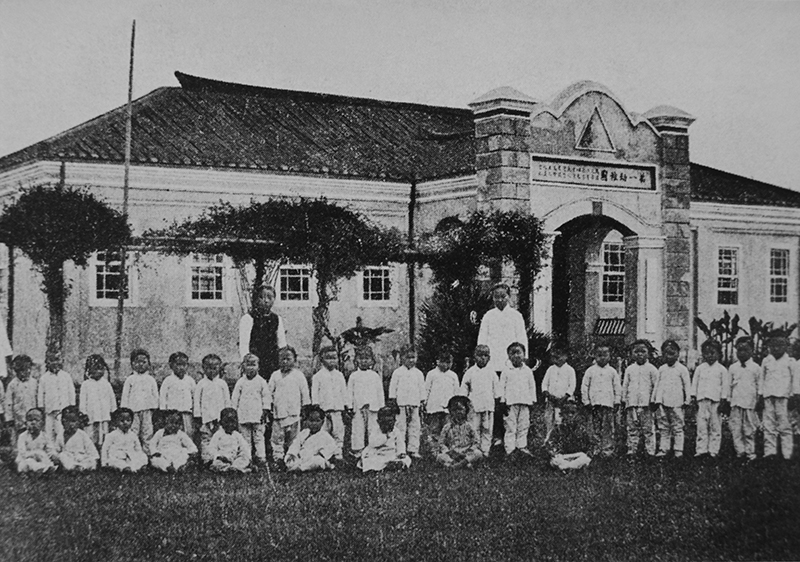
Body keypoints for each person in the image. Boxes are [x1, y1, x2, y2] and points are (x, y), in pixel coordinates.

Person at [267, 346, 310, 464]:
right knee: (277, 437)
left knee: (294, 437)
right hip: (279, 412)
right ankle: (278, 457)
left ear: (295, 360)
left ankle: (292, 457)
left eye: (288, 359)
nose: (285, 362)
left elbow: (305, 392)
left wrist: (305, 407)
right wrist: (268, 407)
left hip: (294, 412)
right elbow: (268, 393)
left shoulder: (299, 375)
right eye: (282, 359)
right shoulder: (275, 375)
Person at [690, 339, 730, 459]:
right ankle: (701, 449)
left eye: (712, 353)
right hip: (702, 401)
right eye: (706, 353)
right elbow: (695, 383)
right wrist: (693, 397)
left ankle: (714, 450)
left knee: (715, 426)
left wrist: (723, 399)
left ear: (718, 354)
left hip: (715, 402)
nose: (709, 356)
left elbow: (725, 386)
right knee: (701, 426)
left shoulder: (722, 369)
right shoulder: (700, 368)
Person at [652, 340, 691, 458]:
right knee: (663, 426)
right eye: (666, 354)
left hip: (677, 402)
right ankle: (664, 448)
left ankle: (678, 449)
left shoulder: (682, 369)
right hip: (662, 402)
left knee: (677, 426)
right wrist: (655, 399)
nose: (669, 357)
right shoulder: (661, 369)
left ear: (678, 354)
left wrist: (687, 400)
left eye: (672, 353)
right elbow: (657, 385)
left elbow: (687, 385)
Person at [760, 336, 797, 460]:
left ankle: (787, 454)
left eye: (780, 345)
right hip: (768, 396)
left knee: (784, 425)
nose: (776, 348)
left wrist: (793, 395)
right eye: (773, 345)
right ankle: (769, 453)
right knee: (769, 425)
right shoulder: (766, 361)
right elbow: (762, 378)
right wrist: (761, 394)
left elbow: (795, 380)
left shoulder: (790, 361)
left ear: (786, 346)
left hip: (784, 397)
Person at [581, 344, 621, 457]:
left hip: (608, 404)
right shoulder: (590, 371)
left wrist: (617, 401)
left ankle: (607, 449)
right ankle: (596, 448)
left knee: (607, 427)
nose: (602, 358)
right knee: (594, 427)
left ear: (610, 356)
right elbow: (585, 386)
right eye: (599, 355)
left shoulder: (612, 371)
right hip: (594, 404)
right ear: (594, 356)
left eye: (605, 355)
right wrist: (586, 401)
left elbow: (617, 387)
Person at [239, 285, 287, 379]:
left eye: (270, 298)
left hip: (272, 361)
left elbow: (282, 343)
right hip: (254, 361)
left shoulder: (277, 319)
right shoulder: (248, 318)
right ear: (256, 299)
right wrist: (246, 363)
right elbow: (244, 345)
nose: (266, 301)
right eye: (262, 297)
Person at [460, 344, 499, 457]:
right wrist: (463, 400)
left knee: (487, 429)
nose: (482, 358)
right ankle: (474, 449)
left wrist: (497, 400)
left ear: (489, 358)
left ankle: (485, 450)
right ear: (474, 357)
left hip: (488, 405)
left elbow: (497, 389)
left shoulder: (492, 372)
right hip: (474, 406)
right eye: (480, 355)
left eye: (485, 355)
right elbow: (464, 387)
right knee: (474, 428)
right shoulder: (470, 372)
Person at [621, 340, 658, 459]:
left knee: (648, 429)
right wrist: (624, 399)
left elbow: (656, 386)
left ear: (649, 353)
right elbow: (625, 385)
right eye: (636, 351)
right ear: (632, 353)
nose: (640, 354)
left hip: (647, 404)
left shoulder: (652, 369)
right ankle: (632, 450)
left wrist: (654, 400)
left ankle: (650, 451)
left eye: (643, 351)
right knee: (632, 428)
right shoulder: (629, 369)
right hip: (632, 403)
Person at [231, 353, 270, 466]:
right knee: (245, 438)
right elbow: (235, 398)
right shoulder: (241, 382)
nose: (251, 368)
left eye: (254, 365)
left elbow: (266, 397)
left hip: (258, 415)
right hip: (243, 414)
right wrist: (233, 411)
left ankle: (261, 456)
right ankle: (247, 457)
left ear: (258, 367)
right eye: (248, 365)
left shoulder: (261, 382)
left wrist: (265, 409)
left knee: (259, 437)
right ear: (243, 367)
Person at [346, 346, 385, 458]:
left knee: (373, 427)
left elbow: (380, 391)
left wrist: (381, 406)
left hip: (373, 406)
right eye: (361, 358)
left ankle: (373, 448)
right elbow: (350, 391)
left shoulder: (375, 376)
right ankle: (358, 449)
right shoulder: (354, 376)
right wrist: (349, 406)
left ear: (372, 360)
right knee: (358, 428)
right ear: (356, 360)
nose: (364, 361)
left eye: (367, 358)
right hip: (358, 406)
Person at [499, 341, 536, 458]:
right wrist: (502, 401)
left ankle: (522, 446)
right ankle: (510, 449)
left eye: (518, 352)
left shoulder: (528, 371)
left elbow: (532, 386)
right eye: (513, 353)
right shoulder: (506, 371)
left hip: (525, 402)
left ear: (524, 354)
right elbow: (501, 387)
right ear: (508, 356)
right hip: (510, 403)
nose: (516, 356)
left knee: (523, 425)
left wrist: (532, 400)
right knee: (510, 426)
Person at [388, 345, 426, 459]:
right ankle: (400, 450)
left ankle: (413, 449)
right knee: (400, 427)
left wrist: (422, 401)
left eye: (413, 357)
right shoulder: (398, 372)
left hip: (414, 404)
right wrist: (393, 400)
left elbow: (421, 388)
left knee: (415, 427)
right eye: (408, 357)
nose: (411, 360)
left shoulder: (418, 373)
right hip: (401, 404)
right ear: (402, 358)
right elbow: (393, 387)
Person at [728, 337, 762, 461]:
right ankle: (739, 451)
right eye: (739, 350)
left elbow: (759, 385)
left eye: (745, 350)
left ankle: (750, 452)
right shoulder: (733, 368)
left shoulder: (756, 368)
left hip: (749, 403)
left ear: (752, 351)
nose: (742, 353)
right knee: (736, 428)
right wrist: (727, 400)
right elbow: (728, 385)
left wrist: (759, 399)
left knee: (749, 429)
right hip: (736, 402)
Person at [311, 345, 347, 460]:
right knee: (323, 432)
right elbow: (315, 393)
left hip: (337, 410)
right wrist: (316, 405)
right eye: (328, 358)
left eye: (334, 358)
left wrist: (346, 405)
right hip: (324, 410)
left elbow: (344, 392)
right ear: (322, 360)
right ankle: (324, 453)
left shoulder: (339, 375)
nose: (332, 361)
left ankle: (338, 452)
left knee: (338, 431)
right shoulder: (318, 376)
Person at [193, 353, 231, 464]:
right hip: (206, 418)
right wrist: (198, 416)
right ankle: (207, 459)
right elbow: (197, 401)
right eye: (208, 368)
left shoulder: (222, 384)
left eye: (215, 368)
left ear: (219, 368)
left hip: (220, 418)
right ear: (203, 368)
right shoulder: (201, 384)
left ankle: (220, 458)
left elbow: (227, 400)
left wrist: (227, 416)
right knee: (206, 438)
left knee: (220, 438)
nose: (212, 371)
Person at [120, 348, 159, 453]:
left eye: (144, 362)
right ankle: (132, 452)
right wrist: (124, 409)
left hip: (147, 410)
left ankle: (147, 453)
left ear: (149, 363)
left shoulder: (150, 379)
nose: (140, 364)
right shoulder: (130, 379)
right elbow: (125, 395)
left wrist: (154, 407)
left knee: (147, 432)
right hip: (133, 411)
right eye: (137, 362)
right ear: (132, 364)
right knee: (133, 431)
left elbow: (155, 394)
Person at [424, 349, 459, 452]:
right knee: (434, 429)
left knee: (448, 428)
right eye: (444, 362)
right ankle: (434, 449)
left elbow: (456, 391)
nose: (446, 365)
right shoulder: (432, 374)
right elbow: (427, 389)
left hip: (448, 409)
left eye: (449, 362)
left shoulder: (453, 375)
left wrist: (456, 405)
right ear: (438, 362)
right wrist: (424, 402)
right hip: (434, 407)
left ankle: (447, 449)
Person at [37, 350, 76, 444]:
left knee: (61, 430)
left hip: (63, 410)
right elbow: (40, 394)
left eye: (57, 359)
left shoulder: (66, 376)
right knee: (49, 431)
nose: (55, 363)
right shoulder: (44, 378)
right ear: (47, 362)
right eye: (52, 360)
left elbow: (71, 392)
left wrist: (72, 405)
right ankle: (50, 448)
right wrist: (41, 407)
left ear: (62, 361)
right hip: (49, 411)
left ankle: (62, 447)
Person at [79, 355, 117, 449]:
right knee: (91, 435)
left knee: (104, 434)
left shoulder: (106, 384)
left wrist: (114, 411)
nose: (98, 372)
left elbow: (112, 398)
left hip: (104, 415)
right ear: (89, 370)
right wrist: (83, 413)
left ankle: (102, 450)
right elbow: (83, 401)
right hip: (91, 415)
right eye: (95, 369)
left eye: (101, 369)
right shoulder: (86, 385)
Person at [284, 404, 337, 472]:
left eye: (317, 421)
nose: (314, 424)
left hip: (313, 459)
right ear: (307, 421)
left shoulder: (325, 436)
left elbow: (327, 451)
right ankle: (294, 466)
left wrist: (318, 455)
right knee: (291, 459)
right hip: (301, 458)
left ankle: (300, 468)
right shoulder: (304, 433)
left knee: (318, 461)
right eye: (311, 421)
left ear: (322, 422)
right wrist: (292, 454)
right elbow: (295, 445)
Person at [358, 405, 411, 472]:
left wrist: (401, 452)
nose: (388, 426)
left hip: (392, 454)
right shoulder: (376, 431)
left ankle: (395, 464)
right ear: (378, 422)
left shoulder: (396, 431)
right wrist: (384, 436)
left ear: (395, 421)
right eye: (385, 423)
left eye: (391, 422)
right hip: (378, 454)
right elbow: (372, 443)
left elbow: (400, 443)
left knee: (407, 459)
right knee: (369, 460)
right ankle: (384, 467)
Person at [436, 395, 482, 469]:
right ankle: (457, 464)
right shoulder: (447, 427)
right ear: (450, 411)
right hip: (452, 453)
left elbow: (476, 441)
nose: (458, 412)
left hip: (466, 453)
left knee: (478, 453)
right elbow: (441, 443)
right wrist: (449, 452)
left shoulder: (469, 426)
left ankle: (459, 464)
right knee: (440, 456)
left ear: (466, 410)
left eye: (460, 409)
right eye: (454, 410)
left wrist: (469, 450)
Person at [541, 347, 576, 440]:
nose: (557, 358)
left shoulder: (570, 370)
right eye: (554, 356)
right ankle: (549, 438)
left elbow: (572, 386)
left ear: (566, 356)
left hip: (564, 401)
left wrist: (565, 397)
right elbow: (544, 384)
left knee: (560, 419)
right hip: (551, 400)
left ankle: (561, 439)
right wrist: (547, 394)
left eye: (560, 355)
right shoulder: (550, 369)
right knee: (548, 418)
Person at [546, 401, 593, 472]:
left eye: (572, 413)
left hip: (576, 456)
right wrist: (555, 453)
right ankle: (571, 467)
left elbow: (590, 445)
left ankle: (566, 467)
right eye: (567, 413)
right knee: (555, 460)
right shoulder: (557, 429)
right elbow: (550, 445)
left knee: (585, 458)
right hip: (563, 457)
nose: (570, 415)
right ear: (562, 415)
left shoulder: (581, 429)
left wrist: (587, 452)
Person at [4, 355, 38, 452]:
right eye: (22, 370)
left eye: (28, 369)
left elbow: (37, 398)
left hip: (32, 416)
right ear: (17, 371)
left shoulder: (34, 383)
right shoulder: (13, 385)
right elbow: (8, 403)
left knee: (32, 437)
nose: (26, 372)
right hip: (18, 418)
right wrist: (9, 418)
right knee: (19, 439)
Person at [159, 352, 196, 439]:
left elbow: (194, 396)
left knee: (188, 432)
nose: (181, 367)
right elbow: (163, 396)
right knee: (173, 432)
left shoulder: (190, 381)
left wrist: (194, 411)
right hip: (172, 413)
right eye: (178, 365)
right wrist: (163, 410)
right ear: (171, 365)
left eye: (184, 365)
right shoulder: (168, 380)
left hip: (187, 412)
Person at [101, 408, 148, 472]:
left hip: (130, 456)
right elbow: (105, 449)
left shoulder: (133, 435)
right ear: (115, 422)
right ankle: (124, 468)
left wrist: (139, 456)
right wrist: (104, 463)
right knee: (115, 462)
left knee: (141, 457)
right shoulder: (111, 435)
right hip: (117, 457)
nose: (125, 423)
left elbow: (138, 448)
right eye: (122, 421)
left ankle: (140, 467)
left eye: (128, 420)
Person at [54, 405, 98, 472]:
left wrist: (93, 459)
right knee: (62, 455)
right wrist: (56, 456)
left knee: (91, 461)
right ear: (62, 422)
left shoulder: (82, 434)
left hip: (81, 458)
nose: (71, 424)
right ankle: (72, 467)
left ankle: (81, 467)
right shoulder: (60, 435)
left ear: (78, 422)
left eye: (73, 421)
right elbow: (57, 449)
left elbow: (92, 451)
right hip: (69, 458)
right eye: (66, 421)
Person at [207, 407, 252, 473]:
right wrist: (218, 456)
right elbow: (212, 448)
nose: (230, 425)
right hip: (223, 459)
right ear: (220, 422)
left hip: (235, 459)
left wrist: (244, 456)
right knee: (217, 463)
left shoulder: (237, 435)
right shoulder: (218, 434)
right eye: (226, 422)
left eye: (232, 422)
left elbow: (244, 447)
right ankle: (230, 469)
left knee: (243, 460)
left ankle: (235, 468)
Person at [15, 407, 56, 474]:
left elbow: (50, 450)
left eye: (37, 420)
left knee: (46, 461)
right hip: (26, 458)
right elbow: (22, 452)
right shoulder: (22, 436)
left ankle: (43, 469)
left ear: (42, 424)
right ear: (25, 423)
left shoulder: (45, 437)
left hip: (40, 459)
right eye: (30, 420)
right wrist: (36, 454)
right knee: (26, 463)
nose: (33, 423)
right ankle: (41, 470)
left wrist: (52, 455)